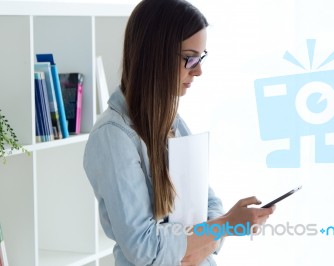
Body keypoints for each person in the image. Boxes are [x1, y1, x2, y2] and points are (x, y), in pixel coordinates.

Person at [83, 0, 275, 265]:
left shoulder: (172, 122)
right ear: (155, 55)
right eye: (190, 58)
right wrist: (223, 226)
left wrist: (199, 243)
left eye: (201, 57)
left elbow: (210, 203)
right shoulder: (113, 136)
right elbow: (144, 247)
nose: (198, 70)